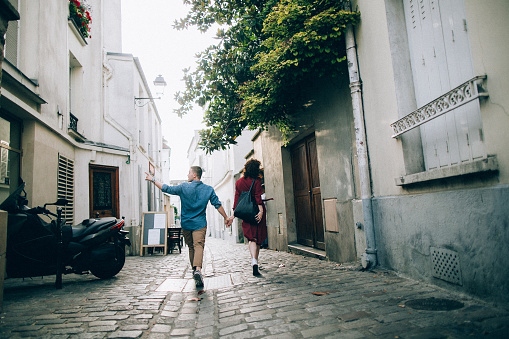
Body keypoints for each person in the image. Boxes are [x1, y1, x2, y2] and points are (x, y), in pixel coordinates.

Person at [145, 166, 231, 287]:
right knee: (199, 245)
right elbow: (217, 204)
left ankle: (194, 271)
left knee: (191, 247)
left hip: (186, 224)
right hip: (200, 224)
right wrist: (226, 217)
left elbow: (166, 188)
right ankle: (198, 270)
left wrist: (153, 180)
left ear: (195, 175)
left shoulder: (183, 187)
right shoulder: (208, 189)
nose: (187, 175)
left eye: (189, 172)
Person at [227, 159, 267, 276]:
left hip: (245, 212)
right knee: (258, 238)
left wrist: (234, 215)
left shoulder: (238, 182)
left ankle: (254, 261)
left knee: (251, 239)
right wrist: (260, 210)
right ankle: (255, 261)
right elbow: (257, 196)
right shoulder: (257, 181)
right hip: (255, 210)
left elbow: (237, 199)